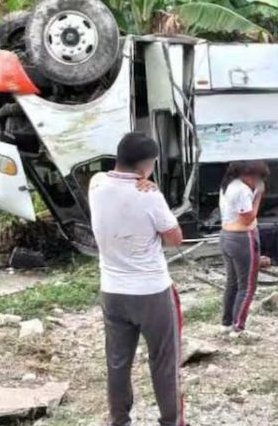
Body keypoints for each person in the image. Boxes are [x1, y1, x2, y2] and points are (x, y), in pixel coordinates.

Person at [88, 132, 186, 426]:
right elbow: (175, 238)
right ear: (147, 165)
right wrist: (151, 189)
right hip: (151, 291)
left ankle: (119, 421)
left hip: (112, 290)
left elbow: (114, 185)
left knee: (118, 362)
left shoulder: (96, 184)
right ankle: (171, 421)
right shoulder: (150, 196)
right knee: (164, 361)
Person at [219, 160, 269, 337]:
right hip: (242, 238)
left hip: (226, 235)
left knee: (232, 282)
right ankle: (238, 326)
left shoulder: (228, 185)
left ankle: (226, 323)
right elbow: (248, 218)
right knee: (247, 285)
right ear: (251, 175)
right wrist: (258, 195)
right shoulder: (242, 190)